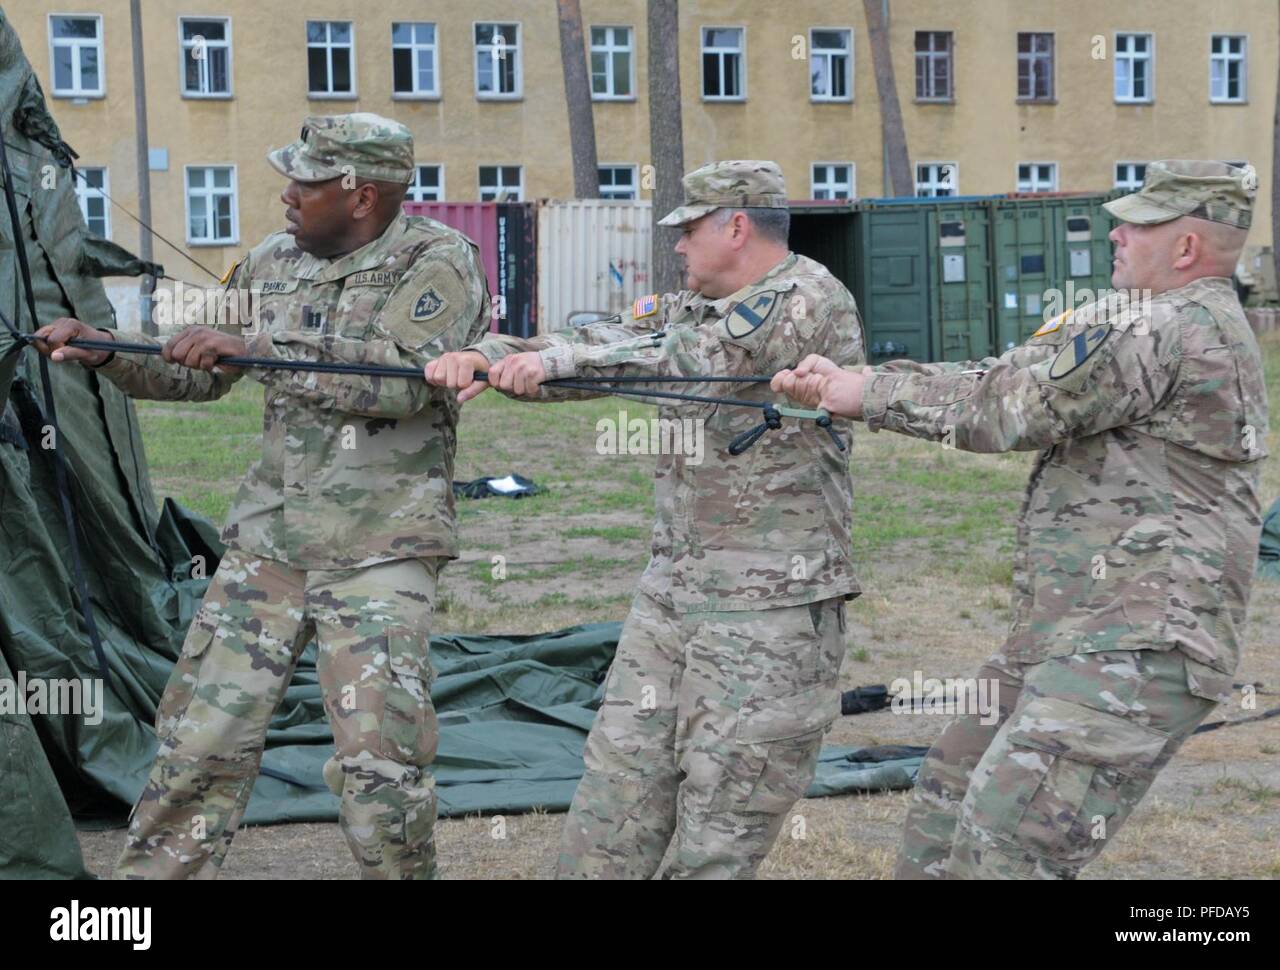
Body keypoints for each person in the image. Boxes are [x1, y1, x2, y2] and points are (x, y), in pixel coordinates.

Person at [771, 160, 1269, 879]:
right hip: (1071, 633)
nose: (1116, 231)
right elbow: (1000, 376)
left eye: (1137, 223)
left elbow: (1011, 413)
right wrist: (856, 384)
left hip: (1136, 644)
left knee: (1003, 850)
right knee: (945, 796)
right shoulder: (1139, 321)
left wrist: (866, 394)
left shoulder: (1169, 327)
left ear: (1185, 248)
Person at [34, 112, 492, 879]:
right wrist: (110, 352)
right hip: (269, 545)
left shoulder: (439, 261)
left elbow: (405, 383)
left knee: (380, 767)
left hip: (380, 550)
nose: (287, 195)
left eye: (306, 183)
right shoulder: (271, 261)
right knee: (196, 742)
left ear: (362, 195)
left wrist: (263, 349)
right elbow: (197, 371)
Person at [428, 161, 865, 879]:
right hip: (673, 592)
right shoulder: (697, 306)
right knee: (614, 793)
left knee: (720, 827)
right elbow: (607, 336)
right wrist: (492, 355)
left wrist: (558, 365)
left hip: (770, 608)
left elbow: (673, 363)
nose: (679, 248)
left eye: (688, 230)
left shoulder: (802, 301)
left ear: (735, 225)